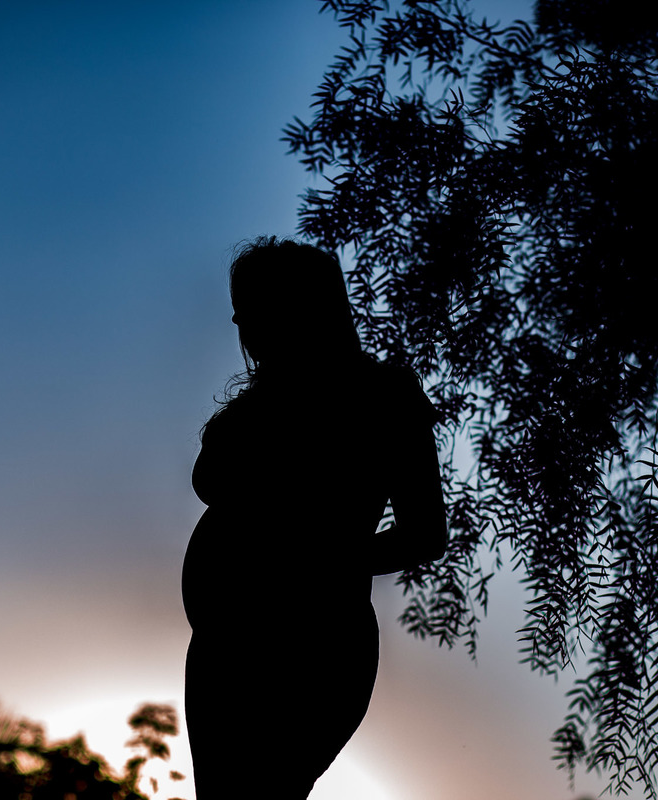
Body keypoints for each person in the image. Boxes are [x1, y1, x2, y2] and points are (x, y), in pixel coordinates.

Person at [182, 237, 447, 799]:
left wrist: (316, 564)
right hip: (223, 649)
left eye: (258, 310)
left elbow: (426, 532)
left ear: (309, 306)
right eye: (240, 315)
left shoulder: (380, 396)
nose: (245, 329)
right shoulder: (252, 407)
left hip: (313, 644)